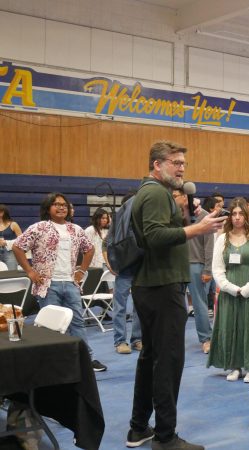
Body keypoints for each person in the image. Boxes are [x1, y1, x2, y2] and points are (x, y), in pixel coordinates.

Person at [127, 140, 225, 450]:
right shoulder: (155, 193)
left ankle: (138, 428)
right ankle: (166, 438)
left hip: (153, 284)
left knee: (151, 359)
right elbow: (156, 237)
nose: (181, 167)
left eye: (183, 163)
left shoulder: (154, 193)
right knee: (168, 362)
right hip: (161, 287)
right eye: (175, 162)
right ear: (157, 165)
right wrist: (199, 229)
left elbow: (163, 235)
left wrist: (184, 214)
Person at [12, 193, 107, 372]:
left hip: (71, 284)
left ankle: (86, 359)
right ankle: (53, 362)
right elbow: (18, 246)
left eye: (64, 205)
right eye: (56, 204)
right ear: (48, 208)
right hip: (48, 284)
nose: (61, 207)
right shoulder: (39, 227)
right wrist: (30, 271)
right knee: (51, 325)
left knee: (77, 322)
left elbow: (90, 249)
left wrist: (81, 271)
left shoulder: (76, 229)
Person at [208, 198, 249, 384]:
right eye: (234, 214)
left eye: (241, 214)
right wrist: (230, 288)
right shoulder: (222, 239)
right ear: (229, 216)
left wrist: (248, 288)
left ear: (247, 216)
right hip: (229, 292)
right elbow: (217, 268)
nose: (238, 217)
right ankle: (234, 366)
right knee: (230, 326)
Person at [175, 188, 215, 355]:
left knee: (199, 304)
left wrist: (207, 269)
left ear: (186, 196)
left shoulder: (203, 214)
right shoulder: (173, 214)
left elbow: (209, 244)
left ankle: (206, 339)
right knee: (175, 305)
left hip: (196, 265)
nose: (174, 198)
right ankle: (173, 339)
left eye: (177, 195)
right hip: (176, 265)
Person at [106, 193, 143, 355]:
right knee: (120, 306)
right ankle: (120, 341)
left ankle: (137, 339)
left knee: (140, 305)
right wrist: (110, 265)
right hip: (124, 267)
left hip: (141, 266)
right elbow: (107, 242)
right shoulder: (119, 219)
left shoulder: (142, 219)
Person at [0, 204, 23, 270]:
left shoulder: (13, 224)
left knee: (12, 272)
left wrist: (7, 242)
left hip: (10, 251)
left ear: (2, 213)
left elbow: (22, 240)